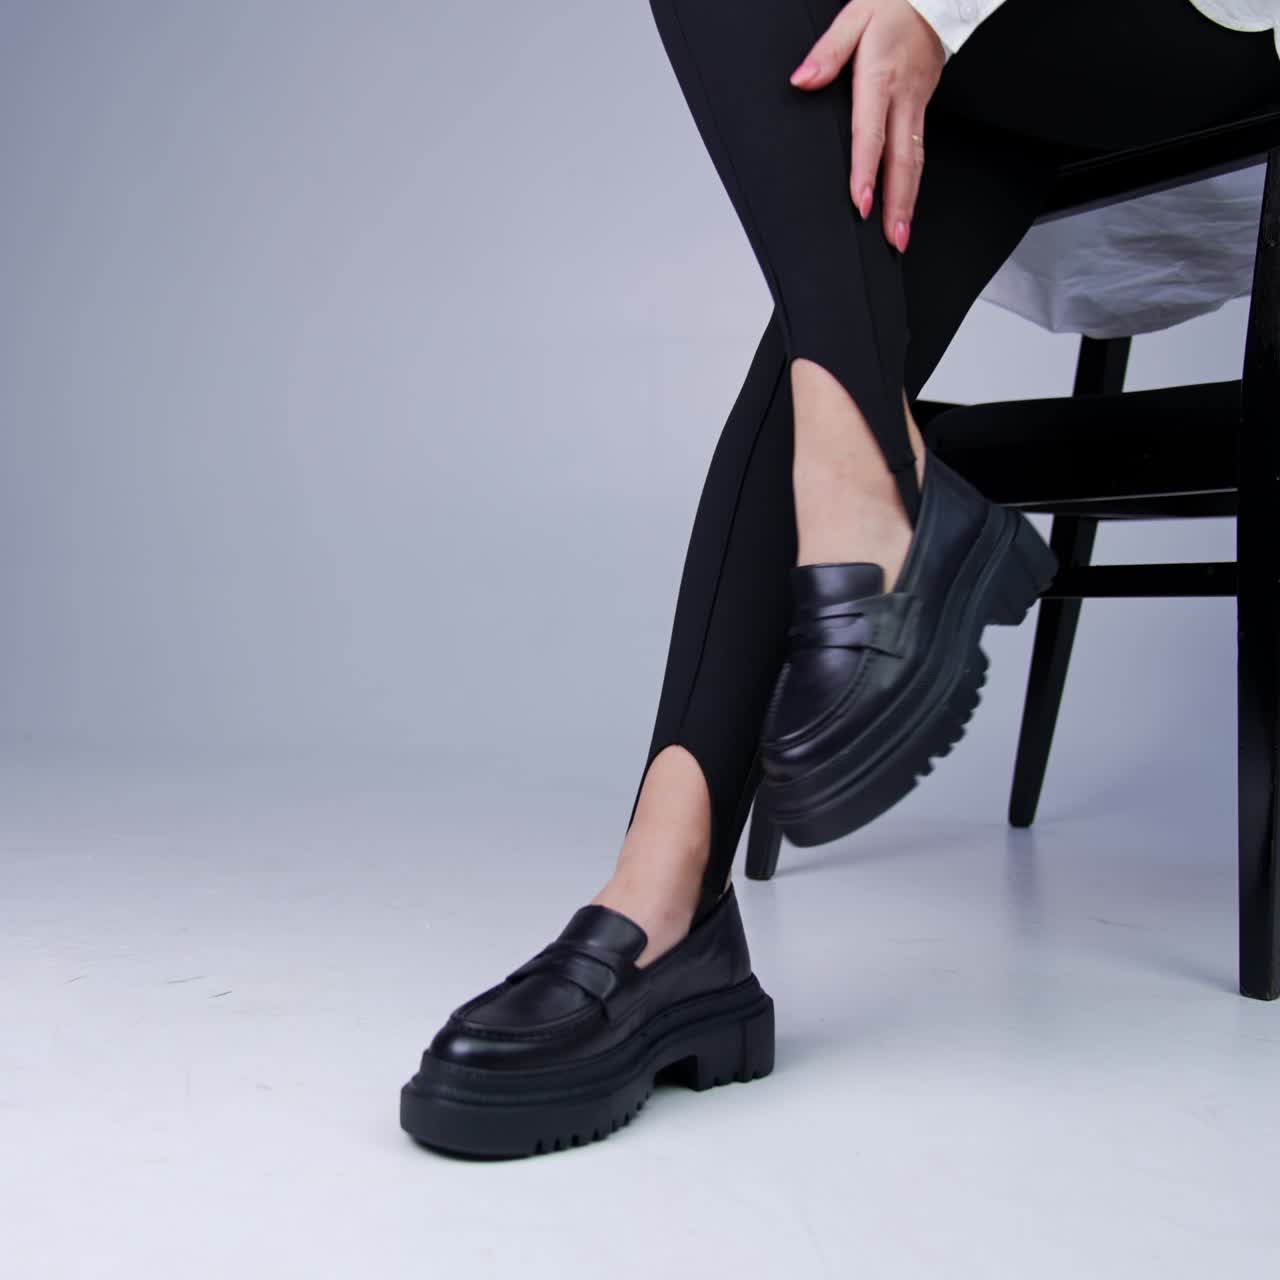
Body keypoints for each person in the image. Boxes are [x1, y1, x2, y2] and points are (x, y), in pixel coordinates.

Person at [399, 0, 1280, 1158]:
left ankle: (864, 504)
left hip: (1213, 40)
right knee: (841, 307)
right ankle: (667, 893)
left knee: (840, 267)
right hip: (1013, 69)